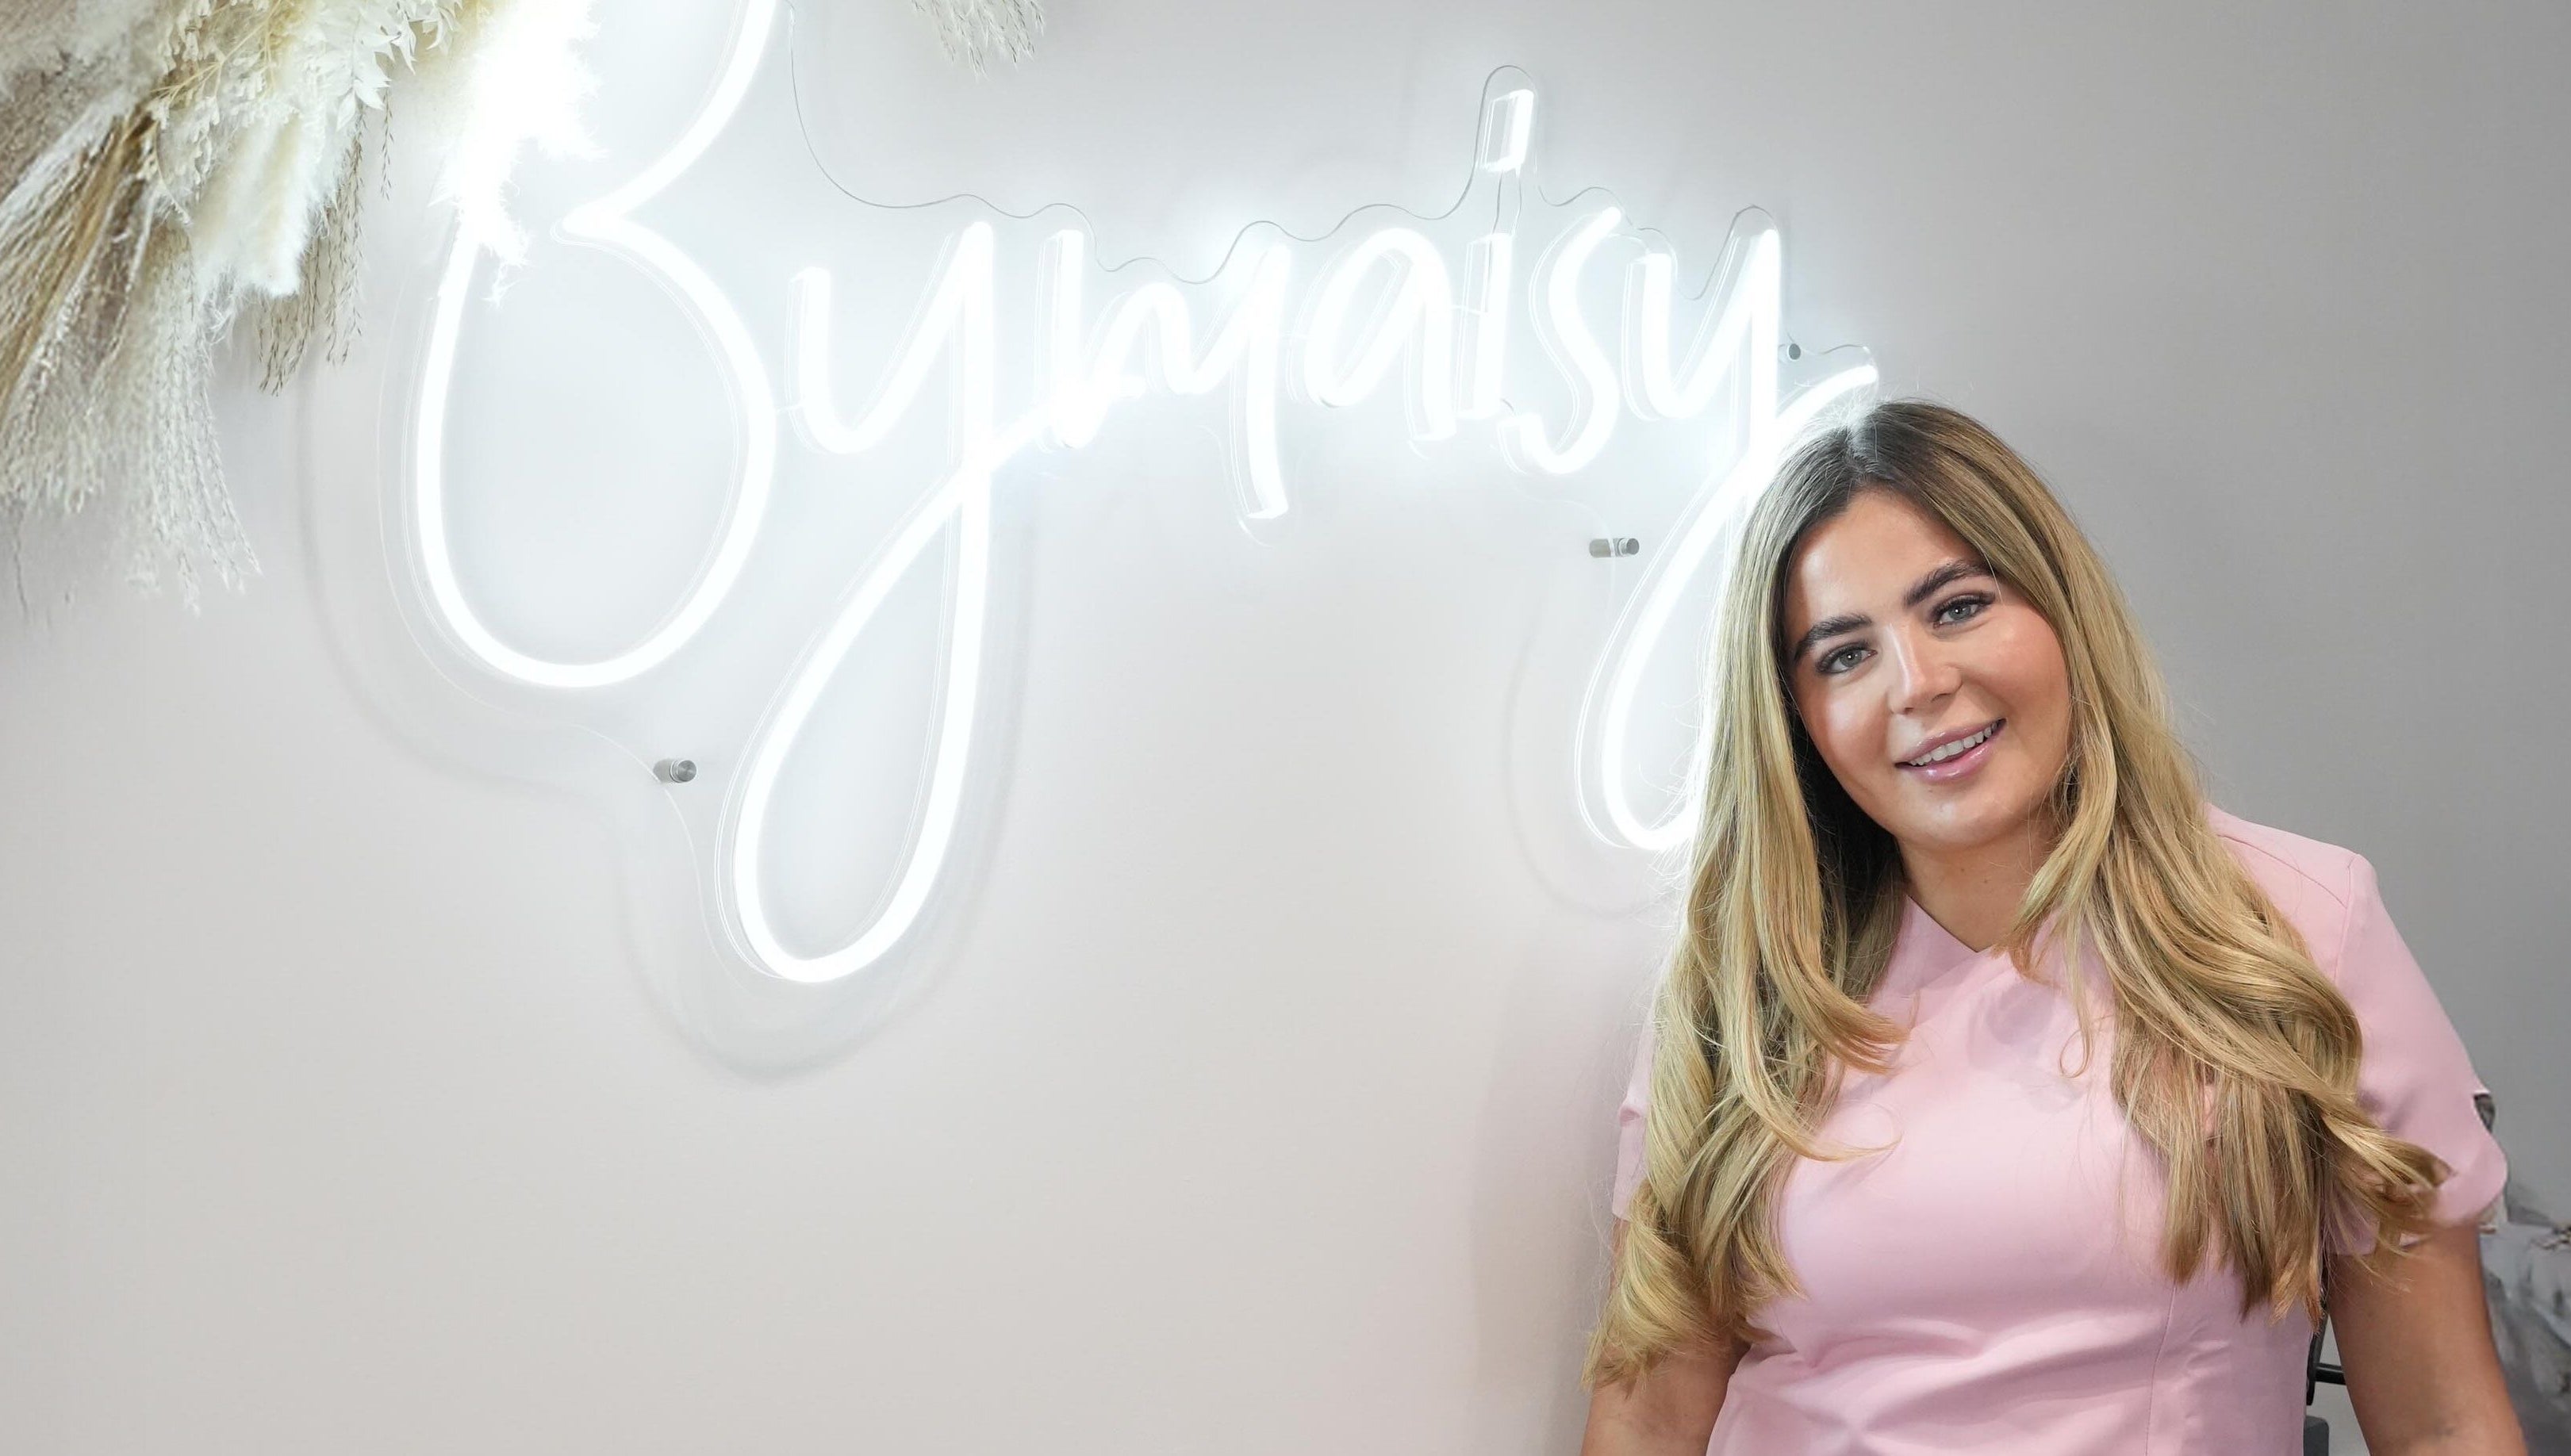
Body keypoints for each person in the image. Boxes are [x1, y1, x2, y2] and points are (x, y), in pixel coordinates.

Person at [1576, 400, 2520, 1454]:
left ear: (2061, 612)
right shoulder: (1742, 991)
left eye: (1958, 607)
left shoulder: (2299, 926)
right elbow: (1648, 1411)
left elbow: (2440, 1423)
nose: (1918, 683)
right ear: (1793, 719)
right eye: (1842, 656)